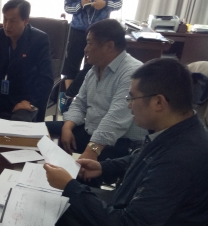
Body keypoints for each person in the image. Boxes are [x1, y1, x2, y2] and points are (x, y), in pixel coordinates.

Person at [41, 58, 208, 226]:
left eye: (132, 98)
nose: (128, 104)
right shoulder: (178, 129)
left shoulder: (181, 158)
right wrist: (103, 167)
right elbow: (140, 158)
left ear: (159, 102)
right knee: (69, 204)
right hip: (144, 218)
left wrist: (71, 186)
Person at [46, 19, 147, 162]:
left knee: (82, 169)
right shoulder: (94, 69)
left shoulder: (132, 72)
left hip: (121, 141)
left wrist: (91, 151)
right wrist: (67, 128)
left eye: (89, 43)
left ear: (109, 46)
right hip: (91, 131)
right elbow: (79, 104)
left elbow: (115, 120)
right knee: (40, 132)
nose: (85, 49)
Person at [0, 0, 53, 122]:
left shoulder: (39, 40)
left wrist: (32, 103)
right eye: (5, 19)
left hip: (25, 96)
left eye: (13, 21)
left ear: (25, 21)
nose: (7, 25)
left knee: (18, 125)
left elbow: (46, 78)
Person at [61, 0, 123, 110]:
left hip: (99, 31)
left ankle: (73, 96)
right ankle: (68, 102)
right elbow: (67, 7)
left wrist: (105, 4)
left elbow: (119, 3)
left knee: (91, 66)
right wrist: (79, 5)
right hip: (78, 29)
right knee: (71, 65)